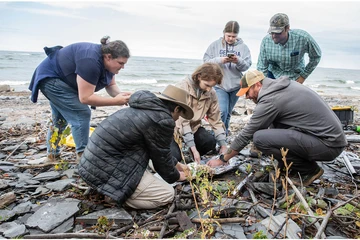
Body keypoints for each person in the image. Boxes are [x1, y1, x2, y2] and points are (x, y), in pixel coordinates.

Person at [207, 70, 347, 186]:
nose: (247, 97)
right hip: (329, 140)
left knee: (260, 138)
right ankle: (288, 167)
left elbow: (248, 132)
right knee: (272, 128)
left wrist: (223, 159)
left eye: (247, 92)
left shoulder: (270, 98)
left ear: (257, 85)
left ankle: (309, 170)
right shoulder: (279, 87)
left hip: (328, 145)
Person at [78, 85, 194, 209]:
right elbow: (161, 158)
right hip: (106, 168)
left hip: (91, 165)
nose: (178, 118)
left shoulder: (143, 109)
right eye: (180, 114)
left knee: (149, 163)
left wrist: (177, 165)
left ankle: (107, 190)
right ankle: (115, 197)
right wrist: (177, 176)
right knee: (167, 194)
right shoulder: (163, 120)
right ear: (176, 109)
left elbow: (158, 150)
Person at [28, 36, 132, 162]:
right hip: (52, 78)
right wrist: (115, 102)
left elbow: (110, 85)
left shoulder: (107, 63)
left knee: (59, 120)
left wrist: (121, 96)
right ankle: (84, 160)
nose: (123, 67)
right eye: (121, 63)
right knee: (81, 113)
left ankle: (52, 156)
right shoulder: (90, 61)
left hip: (64, 80)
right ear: (108, 56)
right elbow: (85, 98)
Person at [173, 63, 227, 164]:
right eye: (207, 85)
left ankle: (192, 154)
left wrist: (223, 146)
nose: (209, 89)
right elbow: (183, 123)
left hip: (194, 128)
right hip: (175, 130)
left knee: (209, 142)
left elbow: (216, 120)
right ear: (199, 76)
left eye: (212, 86)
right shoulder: (182, 88)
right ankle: (188, 151)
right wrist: (193, 149)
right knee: (174, 156)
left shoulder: (211, 93)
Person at [203, 20, 252, 134]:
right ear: (224, 33)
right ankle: (218, 135)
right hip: (220, 84)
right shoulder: (215, 45)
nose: (230, 38)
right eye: (228, 36)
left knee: (228, 113)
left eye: (233, 36)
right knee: (222, 111)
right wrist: (220, 60)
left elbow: (246, 66)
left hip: (236, 85)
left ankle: (223, 136)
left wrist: (237, 60)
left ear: (237, 35)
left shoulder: (243, 48)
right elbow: (205, 63)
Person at [257, 13, 322, 84]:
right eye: (272, 32)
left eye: (278, 32)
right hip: (273, 74)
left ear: (287, 28)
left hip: (295, 76)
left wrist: (303, 76)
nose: (273, 36)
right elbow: (262, 67)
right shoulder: (266, 41)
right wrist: (263, 84)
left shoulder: (303, 38)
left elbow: (316, 56)